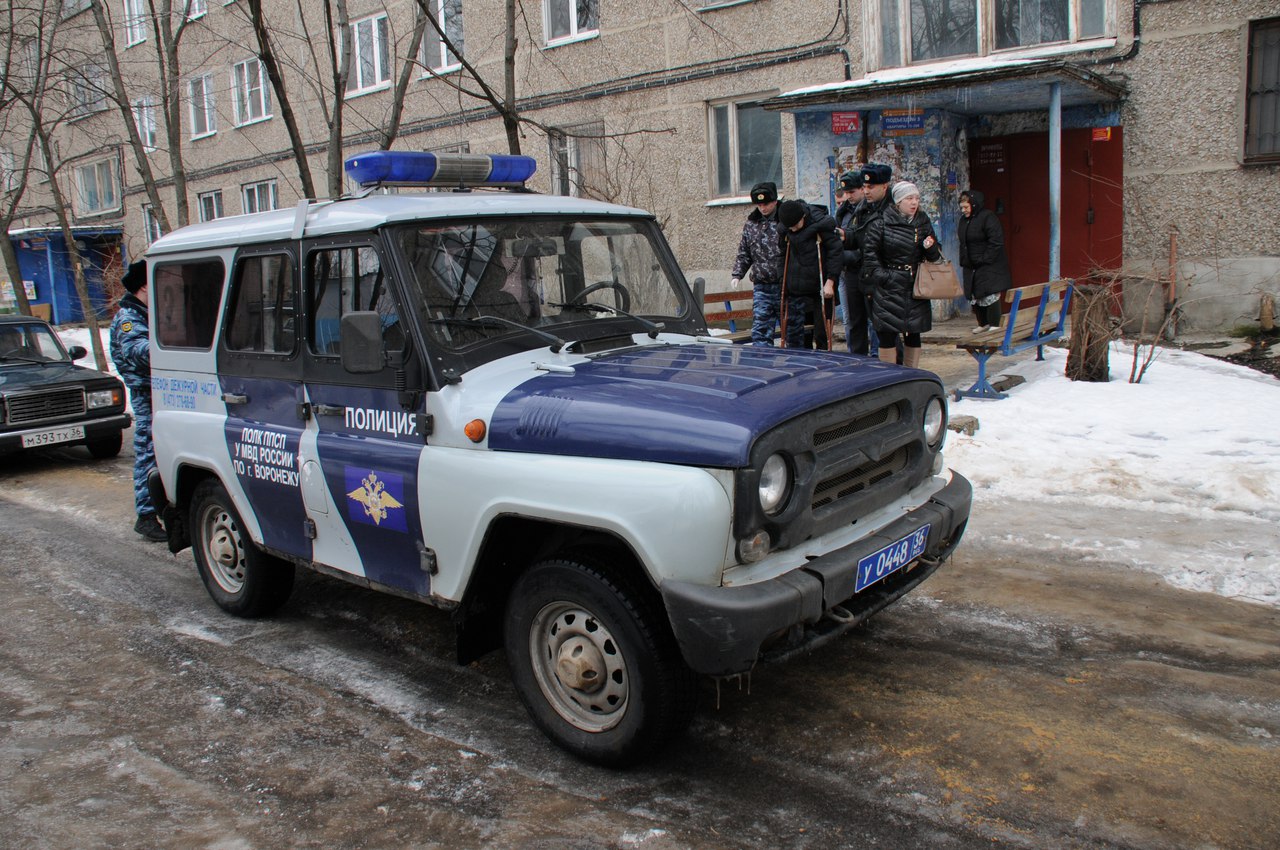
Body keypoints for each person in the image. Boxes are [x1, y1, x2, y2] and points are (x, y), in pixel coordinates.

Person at [110, 260, 166, 543]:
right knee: (148, 454)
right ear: (144, 285)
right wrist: (170, 346)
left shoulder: (146, 313)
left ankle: (160, 507)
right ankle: (145, 516)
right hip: (147, 396)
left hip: (161, 393)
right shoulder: (129, 318)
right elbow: (136, 351)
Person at [862, 181, 941, 369]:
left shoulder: (922, 221)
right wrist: (885, 276)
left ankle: (911, 373)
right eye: (909, 198)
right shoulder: (881, 223)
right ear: (898, 202)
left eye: (916, 198)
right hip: (889, 287)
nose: (914, 202)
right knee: (887, 333)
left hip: (915, 286)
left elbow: (935, 255)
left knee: (913, 332)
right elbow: (870, 255)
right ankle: (889, 375)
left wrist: (930, 248)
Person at [776, 199, 843, 350]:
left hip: (819, 290)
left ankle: (824, 367)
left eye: (795, 225)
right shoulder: (785, 230)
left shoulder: (822, 225)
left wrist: (831, 281)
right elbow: (781, 256)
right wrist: (783, 282)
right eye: (789, 227)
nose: (793, 229)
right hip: (795, 288)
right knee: (796, 337)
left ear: (803, 217)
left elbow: (836, 253)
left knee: (821, 335)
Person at [730, 182, 786, 346]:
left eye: (766, 204)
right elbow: (744, 252)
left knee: (791, 331)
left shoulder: (785, 219)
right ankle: (764, 366)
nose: (763, 208)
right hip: (762, 285)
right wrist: (737, 274)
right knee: (760, 332)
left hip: (784, 285)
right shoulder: (752, 224)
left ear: (775, 201)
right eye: (759, 204)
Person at [957, 189, 1013, 331]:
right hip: (971, 265)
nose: (963, 210)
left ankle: (994, 324)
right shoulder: (964, 221)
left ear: (974, 205)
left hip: (988, 264)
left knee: (990, 293)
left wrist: (985, 259)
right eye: (962, 207)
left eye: (966, 207)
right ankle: (983, 324)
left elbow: (996, 241)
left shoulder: (988, 218)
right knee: (975, 293)